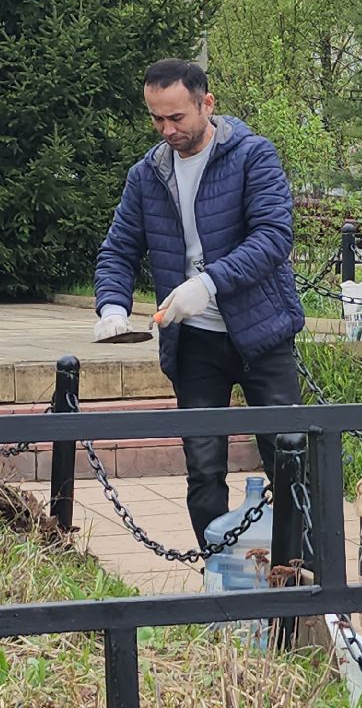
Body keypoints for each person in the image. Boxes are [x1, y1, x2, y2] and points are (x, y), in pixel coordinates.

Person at [92, 58, 304, 545]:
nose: (167, 130)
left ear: (207, 103)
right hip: (194, 345)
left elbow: (273, 238)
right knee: (204, 468)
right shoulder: (146, 175)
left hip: (262, 334)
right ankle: (218, 574)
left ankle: (301, 578)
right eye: (156, 118)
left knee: (288, 459)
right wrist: (112, 308)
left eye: (177, 117)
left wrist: (205, 285)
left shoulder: (253, 156)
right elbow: (119, 249)